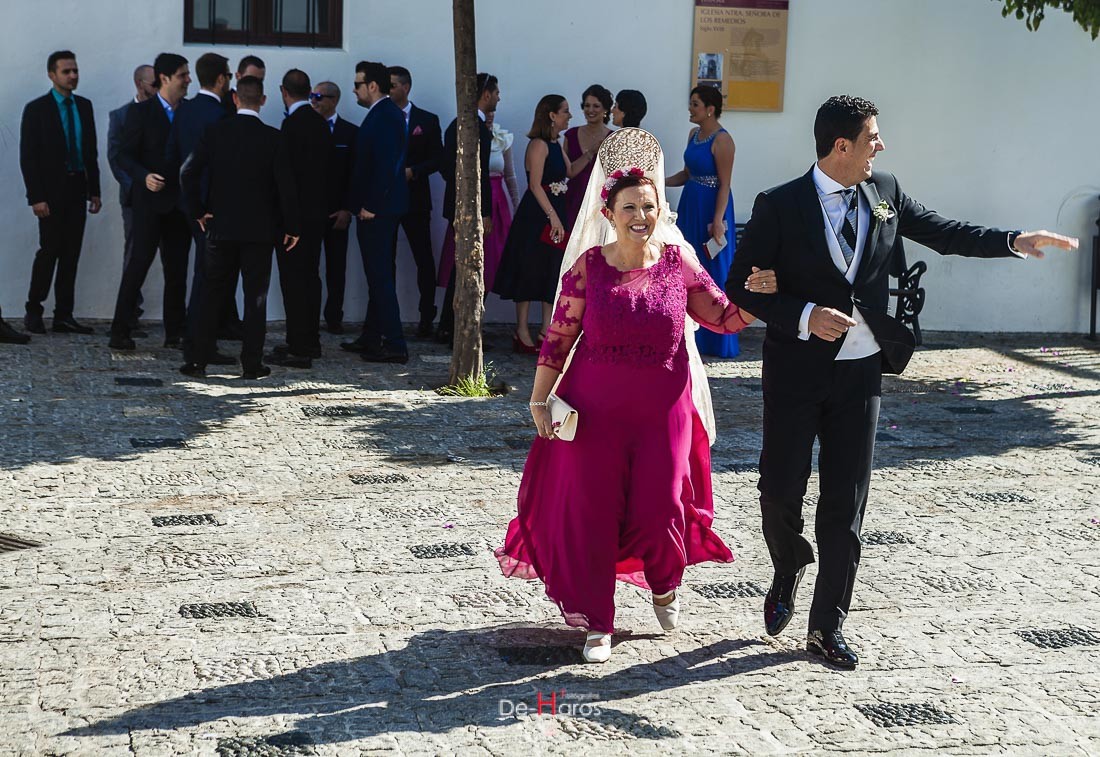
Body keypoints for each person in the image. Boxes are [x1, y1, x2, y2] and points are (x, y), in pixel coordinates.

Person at [725, 95, 1078, 670]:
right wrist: (802, 313)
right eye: (872, 137)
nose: (880, 146)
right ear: (842, 146)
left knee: (847, 502)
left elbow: (946, 231)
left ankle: (825, 626)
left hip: (861, 370)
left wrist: (1014, 240)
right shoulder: (780, 204)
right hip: (795, 372)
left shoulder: (885, 191)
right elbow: (740, 283)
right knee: (779, 492)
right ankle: (788, 562)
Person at [495, 128, 777, 662]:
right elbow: (558, 337)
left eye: (648, 206)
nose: (641, 217)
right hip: (594, 411)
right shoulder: (588, 268)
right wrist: (538, 399)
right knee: (593, 512)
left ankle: (664, 582)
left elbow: (721, 316)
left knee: (661, 506)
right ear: (608, 210)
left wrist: (760, 298)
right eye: (630, 207)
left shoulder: (678, 263)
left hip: (662, 413)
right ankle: (597, 621)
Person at [179, 76, 299, 381]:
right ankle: (251, 363)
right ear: (263, 100)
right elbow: (286, 187)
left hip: (219, 228)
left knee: (212, 294)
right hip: (259, 232)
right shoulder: (273, 138)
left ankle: (198, 361)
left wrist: (197, 211)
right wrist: (291, 226)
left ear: (234, 98)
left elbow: (187, 172)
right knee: (254, 299)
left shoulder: (216, 132)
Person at [108, 52, 192, 351]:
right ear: (165, 77)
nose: (188, 81)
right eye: (183, 75)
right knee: (138, 265)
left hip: (180, 204)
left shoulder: (189, 112)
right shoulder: (140, 113)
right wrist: (143, 176)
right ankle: (120, 329)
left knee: (177, 270)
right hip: (149, 203)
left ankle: (175, 332)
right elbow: (123, 155)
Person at [19, 50, 101, 336]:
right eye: (66, 71)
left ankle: (64, 315)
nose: (73, 76)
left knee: (71, 254)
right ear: (52, 75)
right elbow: (28, 157)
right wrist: (36, 197)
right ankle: (34, 310)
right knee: (49, 251)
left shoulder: (85, 106)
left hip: (77, 186)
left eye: (75, 71)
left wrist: (95, 190)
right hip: (50, 192)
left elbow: (90, 152)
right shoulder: (37, 109)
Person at [167, 52, 236, 367]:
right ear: (221, 79)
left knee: (201, 277)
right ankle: (200, 346)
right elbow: (219, 170)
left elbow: (172, 157)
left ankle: (195, 341)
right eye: (229, 77)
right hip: (211, 210)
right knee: (210, 280)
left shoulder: (184, 110)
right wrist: (206, 208)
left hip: (187, 206)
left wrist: (186, 202)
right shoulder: (221, 115)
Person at [492, 94, 572, 354]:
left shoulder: (557, 144)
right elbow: (535, 185)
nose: (569, 116)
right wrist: (553, 217)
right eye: (565, 111)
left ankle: (545, 330)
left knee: (551, 271)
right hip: (538, 215)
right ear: (552, 115)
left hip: (555, 211)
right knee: (529, 269)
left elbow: (570, 172)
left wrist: (595, 152)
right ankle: (522, 329)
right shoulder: (538, 145)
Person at [342, 61, 410, 363]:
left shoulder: (385, 115)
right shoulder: (383, 114)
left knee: (380, 276)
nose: (354, 90)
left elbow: (387, 165)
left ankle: (395, 344)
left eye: (357, 84)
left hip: (378, 211)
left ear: (372, 86)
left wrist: (371, 205)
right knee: (376, 274)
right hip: (378, 208)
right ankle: (372, 337)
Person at [667, 85, 739, 358]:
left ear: (710, 108)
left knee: (713, 270)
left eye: (695, 104)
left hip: (712, 209)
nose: (690, 108)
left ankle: (717, 339)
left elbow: (724, 184)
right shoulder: (693, 134)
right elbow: (686, 174)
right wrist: (656, 182)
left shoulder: (723, 140)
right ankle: (686, 334)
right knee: (687, 265)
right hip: (690, 204)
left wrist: (718, 220)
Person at [269, 68, 330, 369]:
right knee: (311, 279)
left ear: (284, 91)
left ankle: (299, 346)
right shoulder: (321, 124)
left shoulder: (290, 126)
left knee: (293, 283)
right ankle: (311, 340)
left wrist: (290, 223)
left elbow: (286, 180)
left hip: (294, 221)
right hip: (318, 216)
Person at [435, 72, 497, 344]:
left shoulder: (459, 123)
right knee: (466, 266)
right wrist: (484, 212)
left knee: (462, 266)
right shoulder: (474, 127)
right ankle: (455, 328)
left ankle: (450, 326)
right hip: (469, 208)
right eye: (495, 92)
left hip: (459, 205)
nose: (498, 97)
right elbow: (477, 174)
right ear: (485, 94)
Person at [436, 108, 517, 300]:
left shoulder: (501, 138)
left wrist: (516, 204)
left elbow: (510, 175)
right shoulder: (465, 131)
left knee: (492, 262)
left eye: (494, 112)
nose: (491, 114)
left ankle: (479, 311)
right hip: (474, 202)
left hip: (497, 205)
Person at [388, 65, 443, 338]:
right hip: (387, 198)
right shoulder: (382, 117)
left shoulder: (427, 120)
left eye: (392, 86)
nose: (388, 91)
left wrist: (415, 171)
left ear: (405, 88)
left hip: (416, 198)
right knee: (386, 258)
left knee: (423, 257)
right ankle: (386, 315)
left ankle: (426, 313)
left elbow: (438, 157)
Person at [108, 64, 156, 336]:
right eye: (152, 84)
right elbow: (116, 158)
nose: (156, 89)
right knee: (135, 254)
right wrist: (139, 187)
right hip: (134, 200)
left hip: (161, 197)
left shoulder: (165, 113)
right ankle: (128, 314)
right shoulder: (121, 116)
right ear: (139, 84)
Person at [310, 81, 357, 335]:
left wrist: (347, 209)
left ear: (334, 100)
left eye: (319, 96)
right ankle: (309, 315)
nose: (314, 101)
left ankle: (334, 317)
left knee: (337, 268)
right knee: (310, 267)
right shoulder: (305, 129)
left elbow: (355, 174)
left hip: (338, 212)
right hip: (312, 212)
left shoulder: (350, 133)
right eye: (311, 96)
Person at [562, 84, 612, 230]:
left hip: (600, 200)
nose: (590, 110)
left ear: (605, 109)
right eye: (587, 105)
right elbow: (565, 170)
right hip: (573, 198)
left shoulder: (612, 137)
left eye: (596, 106)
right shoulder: (570, 135)